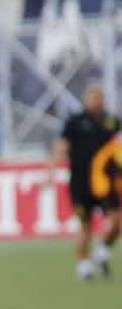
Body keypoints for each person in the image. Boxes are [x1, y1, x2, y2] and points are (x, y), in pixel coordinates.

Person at [51, 84, 120, 280]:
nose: (97, 101)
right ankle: (83, 264)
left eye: (100, 97)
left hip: (106, 182)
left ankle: (103, 251)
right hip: (81, 183)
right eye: (93, 97)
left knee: (116, 222)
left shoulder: (111, 122)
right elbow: (61, 146)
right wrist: (50, 171)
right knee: (85, 224)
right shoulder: (74, 122)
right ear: (85, 100)